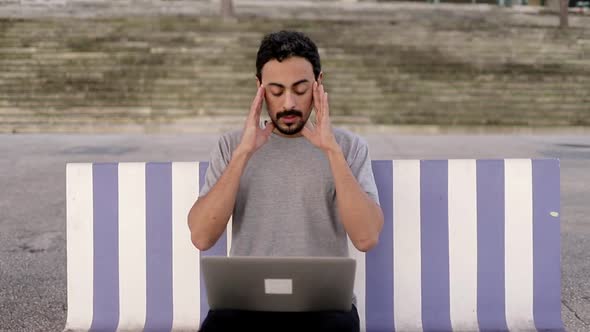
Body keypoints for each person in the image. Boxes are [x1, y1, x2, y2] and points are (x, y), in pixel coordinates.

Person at [188, 30, 384, 332]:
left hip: (324, 308)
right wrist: (243, 153)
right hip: (245, 307)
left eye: (301, 89)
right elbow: (202, 237)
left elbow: (367, 237)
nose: (288, 103)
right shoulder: (232, 146)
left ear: (318, 84)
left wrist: (331, 150)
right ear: (259, 89)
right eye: (276, 91)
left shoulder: (348, 147)